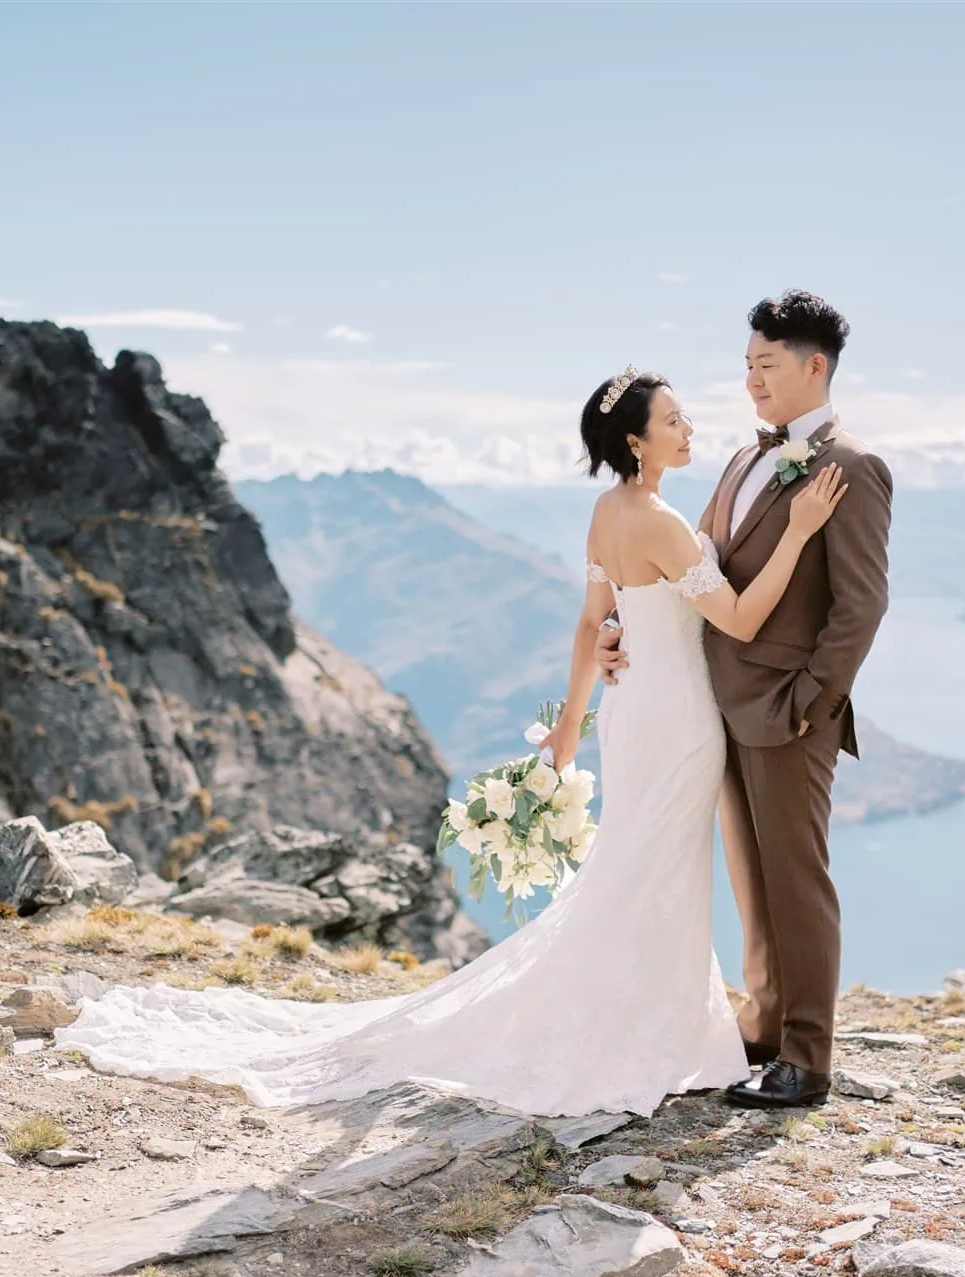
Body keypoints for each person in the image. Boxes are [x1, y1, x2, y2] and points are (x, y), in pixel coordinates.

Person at [55, 366, 845, 1118]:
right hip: (677, 719)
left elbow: (589, 624)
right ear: (637, 441)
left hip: (631, 714)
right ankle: (648, 1027)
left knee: (631, 867)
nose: (688, 426)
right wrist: (799, 533)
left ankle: (645, 1016)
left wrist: (571, 726)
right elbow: (739, 619)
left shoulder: (607, 513)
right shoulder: (663, 523)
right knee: (658, 871)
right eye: (672, 419)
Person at [597, 291, 893, 1109]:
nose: (753, 381)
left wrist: (812, 700)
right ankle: (763, 1022)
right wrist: (623, 630)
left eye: (767, 365)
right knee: (750, 879)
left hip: (787, 710)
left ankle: (806, 1056)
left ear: (814, 366)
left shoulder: (852, 467)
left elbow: (860, 604)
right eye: (747, 366)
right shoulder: (738, 459)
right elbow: (692, 568)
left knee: (797, 880)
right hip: (711, 703)